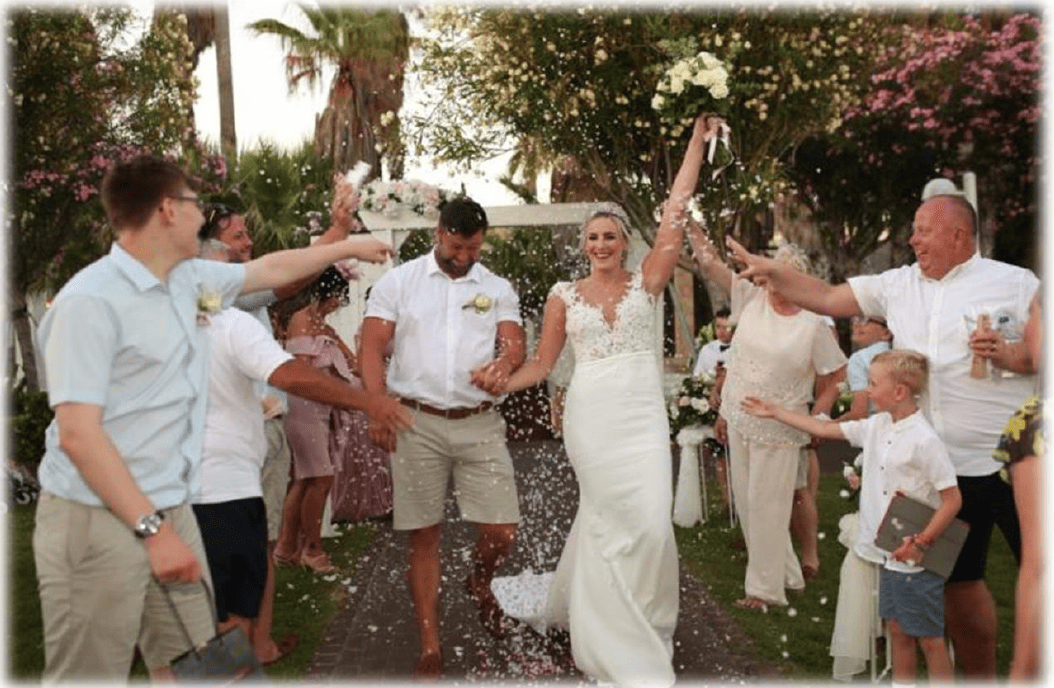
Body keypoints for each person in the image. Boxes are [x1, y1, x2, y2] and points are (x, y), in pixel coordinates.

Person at [32, 155, 394, 680]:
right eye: (193, 202)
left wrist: (348, 244)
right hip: (94, 517)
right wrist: (154, 532)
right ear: (166, 211)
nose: (202, 214)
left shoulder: (188, 281)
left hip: (169, 504)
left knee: (208, 663)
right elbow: (78, 436)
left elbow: (267, 271)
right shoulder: (89, 303)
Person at [726, 190, 1037, 676]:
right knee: (960, 588)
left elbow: (1041, 356)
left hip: (1021, 464)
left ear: (959, 234)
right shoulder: (896, 285)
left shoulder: (1018, 285)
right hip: (945, 472)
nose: (912, 239)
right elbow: (827, 296)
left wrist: (1011, 354)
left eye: (923, 230)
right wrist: (770, 269)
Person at [485, 113, 727, 687]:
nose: (600, 245)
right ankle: (607, 634)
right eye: (592, 238)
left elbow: (674, 209)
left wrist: (695, 142)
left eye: (610, 236)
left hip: (641, 418)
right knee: (606, 519)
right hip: (591, 419)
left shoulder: (649, 281)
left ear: (625, 243)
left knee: (649, 524)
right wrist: (501, 382)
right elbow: (542, 366)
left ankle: (643, 616)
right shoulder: (563, 296)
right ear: (583, 245)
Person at [192, 240, 410, 663]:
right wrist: (371, 402)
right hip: (221, 488)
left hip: (181, 488)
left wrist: (339, 240)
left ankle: (247, 650)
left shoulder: (154, 321)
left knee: (188, 619)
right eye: (230, 271)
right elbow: (292, 375)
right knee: (228, 617)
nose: (239, 275)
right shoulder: (230, 324)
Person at [359, 196, 527, 679]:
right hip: (416, 423)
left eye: (473, 248)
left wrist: (504, 363)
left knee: (502, 531)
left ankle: (480, 579)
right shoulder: (398, 282)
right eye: (457, 246)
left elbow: (514, 343)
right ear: (438, 232)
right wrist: (376, 405)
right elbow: (370, 346)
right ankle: (431, 644)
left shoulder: (495, 286)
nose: (465, 257)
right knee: (424, 535)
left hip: (480, 424)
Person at [197, 177, 359, 662]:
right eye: (238, 238)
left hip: (251, 437)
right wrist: (338, 233)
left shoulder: (214, 292)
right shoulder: (223, 295)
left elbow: (287, 270)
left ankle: (252, 645)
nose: (248, 245)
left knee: (254, 548)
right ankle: (245, 649)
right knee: (246, 553)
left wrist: (337, 230)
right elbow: (287, 276)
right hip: (233, 448)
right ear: (208, 250)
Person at [742, 349, 962, 683]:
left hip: (917, 557)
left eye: (873, 384)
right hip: (889, 554)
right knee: (898, 631)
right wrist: (775, 412)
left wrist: (921, 542)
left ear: (899, 392)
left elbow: (952, 500)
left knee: (929, 638)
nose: (868, 391)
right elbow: (825, 430)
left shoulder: (924, 440)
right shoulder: (878, 425)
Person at [689, 229, 846, 609]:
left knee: (768, 507)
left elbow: (836, 377)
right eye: (769, 274)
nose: (770, 281)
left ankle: (763, 593)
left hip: (781, 426)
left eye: (778, 274)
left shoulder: (813, 324)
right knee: (747, 503)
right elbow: (711, 266)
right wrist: (690, 227)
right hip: (740, 418)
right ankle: (788, 576)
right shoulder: (751, 299)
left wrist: (817, 417)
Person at [274, 266, 390, 574]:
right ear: (327, 294)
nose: (340, 303)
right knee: (320, 478)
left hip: (324, 408)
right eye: (339, 297)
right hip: (305, 408)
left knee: (305, 479)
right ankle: (312, 550)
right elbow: (302, 374)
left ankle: (286, 547)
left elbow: (352, 362)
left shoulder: (325, 327)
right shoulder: (301, 320)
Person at [992, 286, 1042, 680]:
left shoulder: (1036, 422)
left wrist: (1021, 673)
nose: (1028, 331)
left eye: (1036, 317)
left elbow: (1040, 568)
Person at [839, 315, 893, 421]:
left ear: (886, 333)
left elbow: (859, 413)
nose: (856, 324)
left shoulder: (859, 359)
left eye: (866, 320)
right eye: (854, 320)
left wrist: (826, 426)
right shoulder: (900, 353)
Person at [691, 307, 733, 378]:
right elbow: (697, 374)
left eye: (725, 327)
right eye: (718, 327)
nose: (721, 331)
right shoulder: (707, 349)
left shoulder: (740, 349)